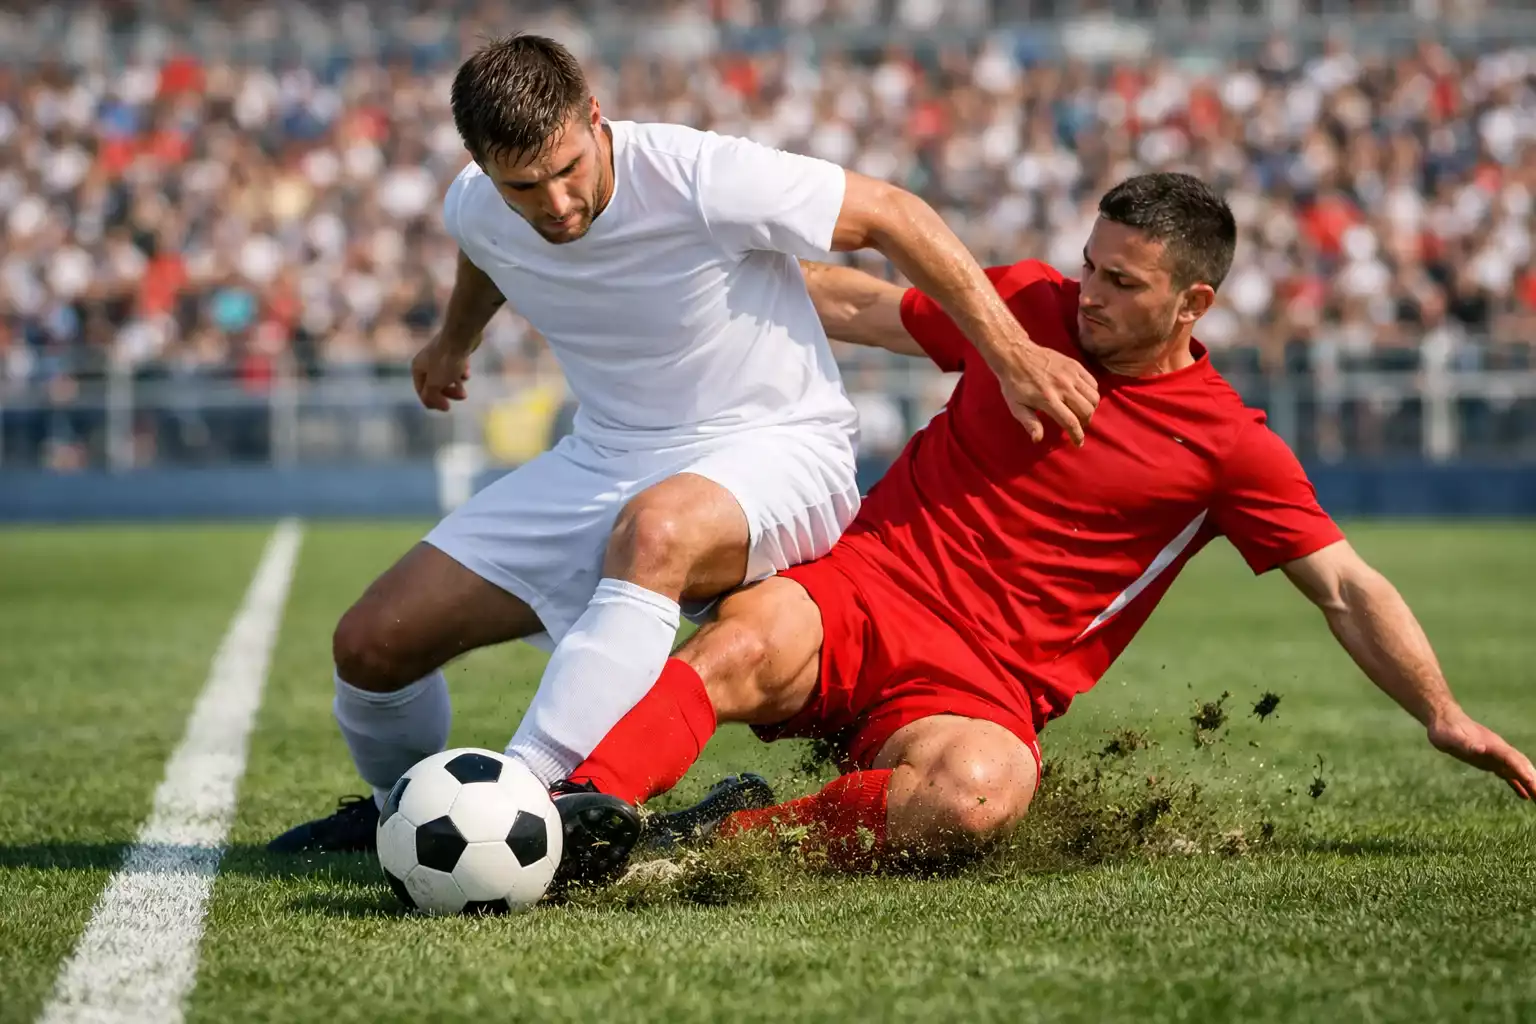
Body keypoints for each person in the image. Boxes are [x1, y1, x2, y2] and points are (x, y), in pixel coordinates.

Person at [267, 33, 1099, 881]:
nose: (555, 203)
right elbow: (488, 252)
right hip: (606, 458)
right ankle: (398, 816)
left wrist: (1009, 351)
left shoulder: (700, 174)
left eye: (568, 169)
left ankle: (528, 807)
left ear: (595, 118)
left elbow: (890, 212)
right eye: (524, 186)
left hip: (782, 448)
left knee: (658, 528)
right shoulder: (476, 207)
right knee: (371, 645)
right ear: (481, 169)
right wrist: (451, 344)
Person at [557, 172, 1536, 876]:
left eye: (1124, 283)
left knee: (981, 793)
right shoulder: (1025, 303)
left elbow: (1348, 588)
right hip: (863, 592)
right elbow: (862, 305)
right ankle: (577, 817)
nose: (1091, 295)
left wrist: (1444, 714)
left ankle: (695, 848)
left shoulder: (1230, 447)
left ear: (1195, 303)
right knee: (748, 637)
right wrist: (666, 281)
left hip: (982, 686)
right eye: (1091, 267)